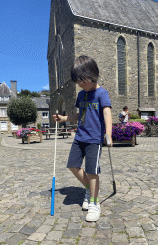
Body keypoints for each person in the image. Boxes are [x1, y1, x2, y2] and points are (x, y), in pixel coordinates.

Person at [53, 56, 112, 222]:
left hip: (94, 139)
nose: (80, 84)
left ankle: (94, 203)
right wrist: (64, 119)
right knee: (72, 165)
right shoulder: (81, 95)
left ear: (92, 75)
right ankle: (88, 188)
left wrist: (109, 133)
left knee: (92, 171)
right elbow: (81, 114)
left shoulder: (102, 93)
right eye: (77, 81)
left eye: (82, 80)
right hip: (80, 137)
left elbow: (107, 113)